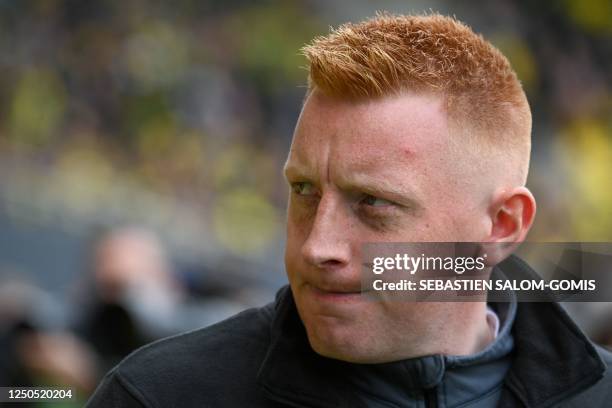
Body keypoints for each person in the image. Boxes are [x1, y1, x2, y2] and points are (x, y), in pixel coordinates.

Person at [86, 13, 612, 407]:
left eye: (374, 204)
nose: (317, 246)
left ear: (501, 226)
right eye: (304, 191)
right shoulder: (158, 398)